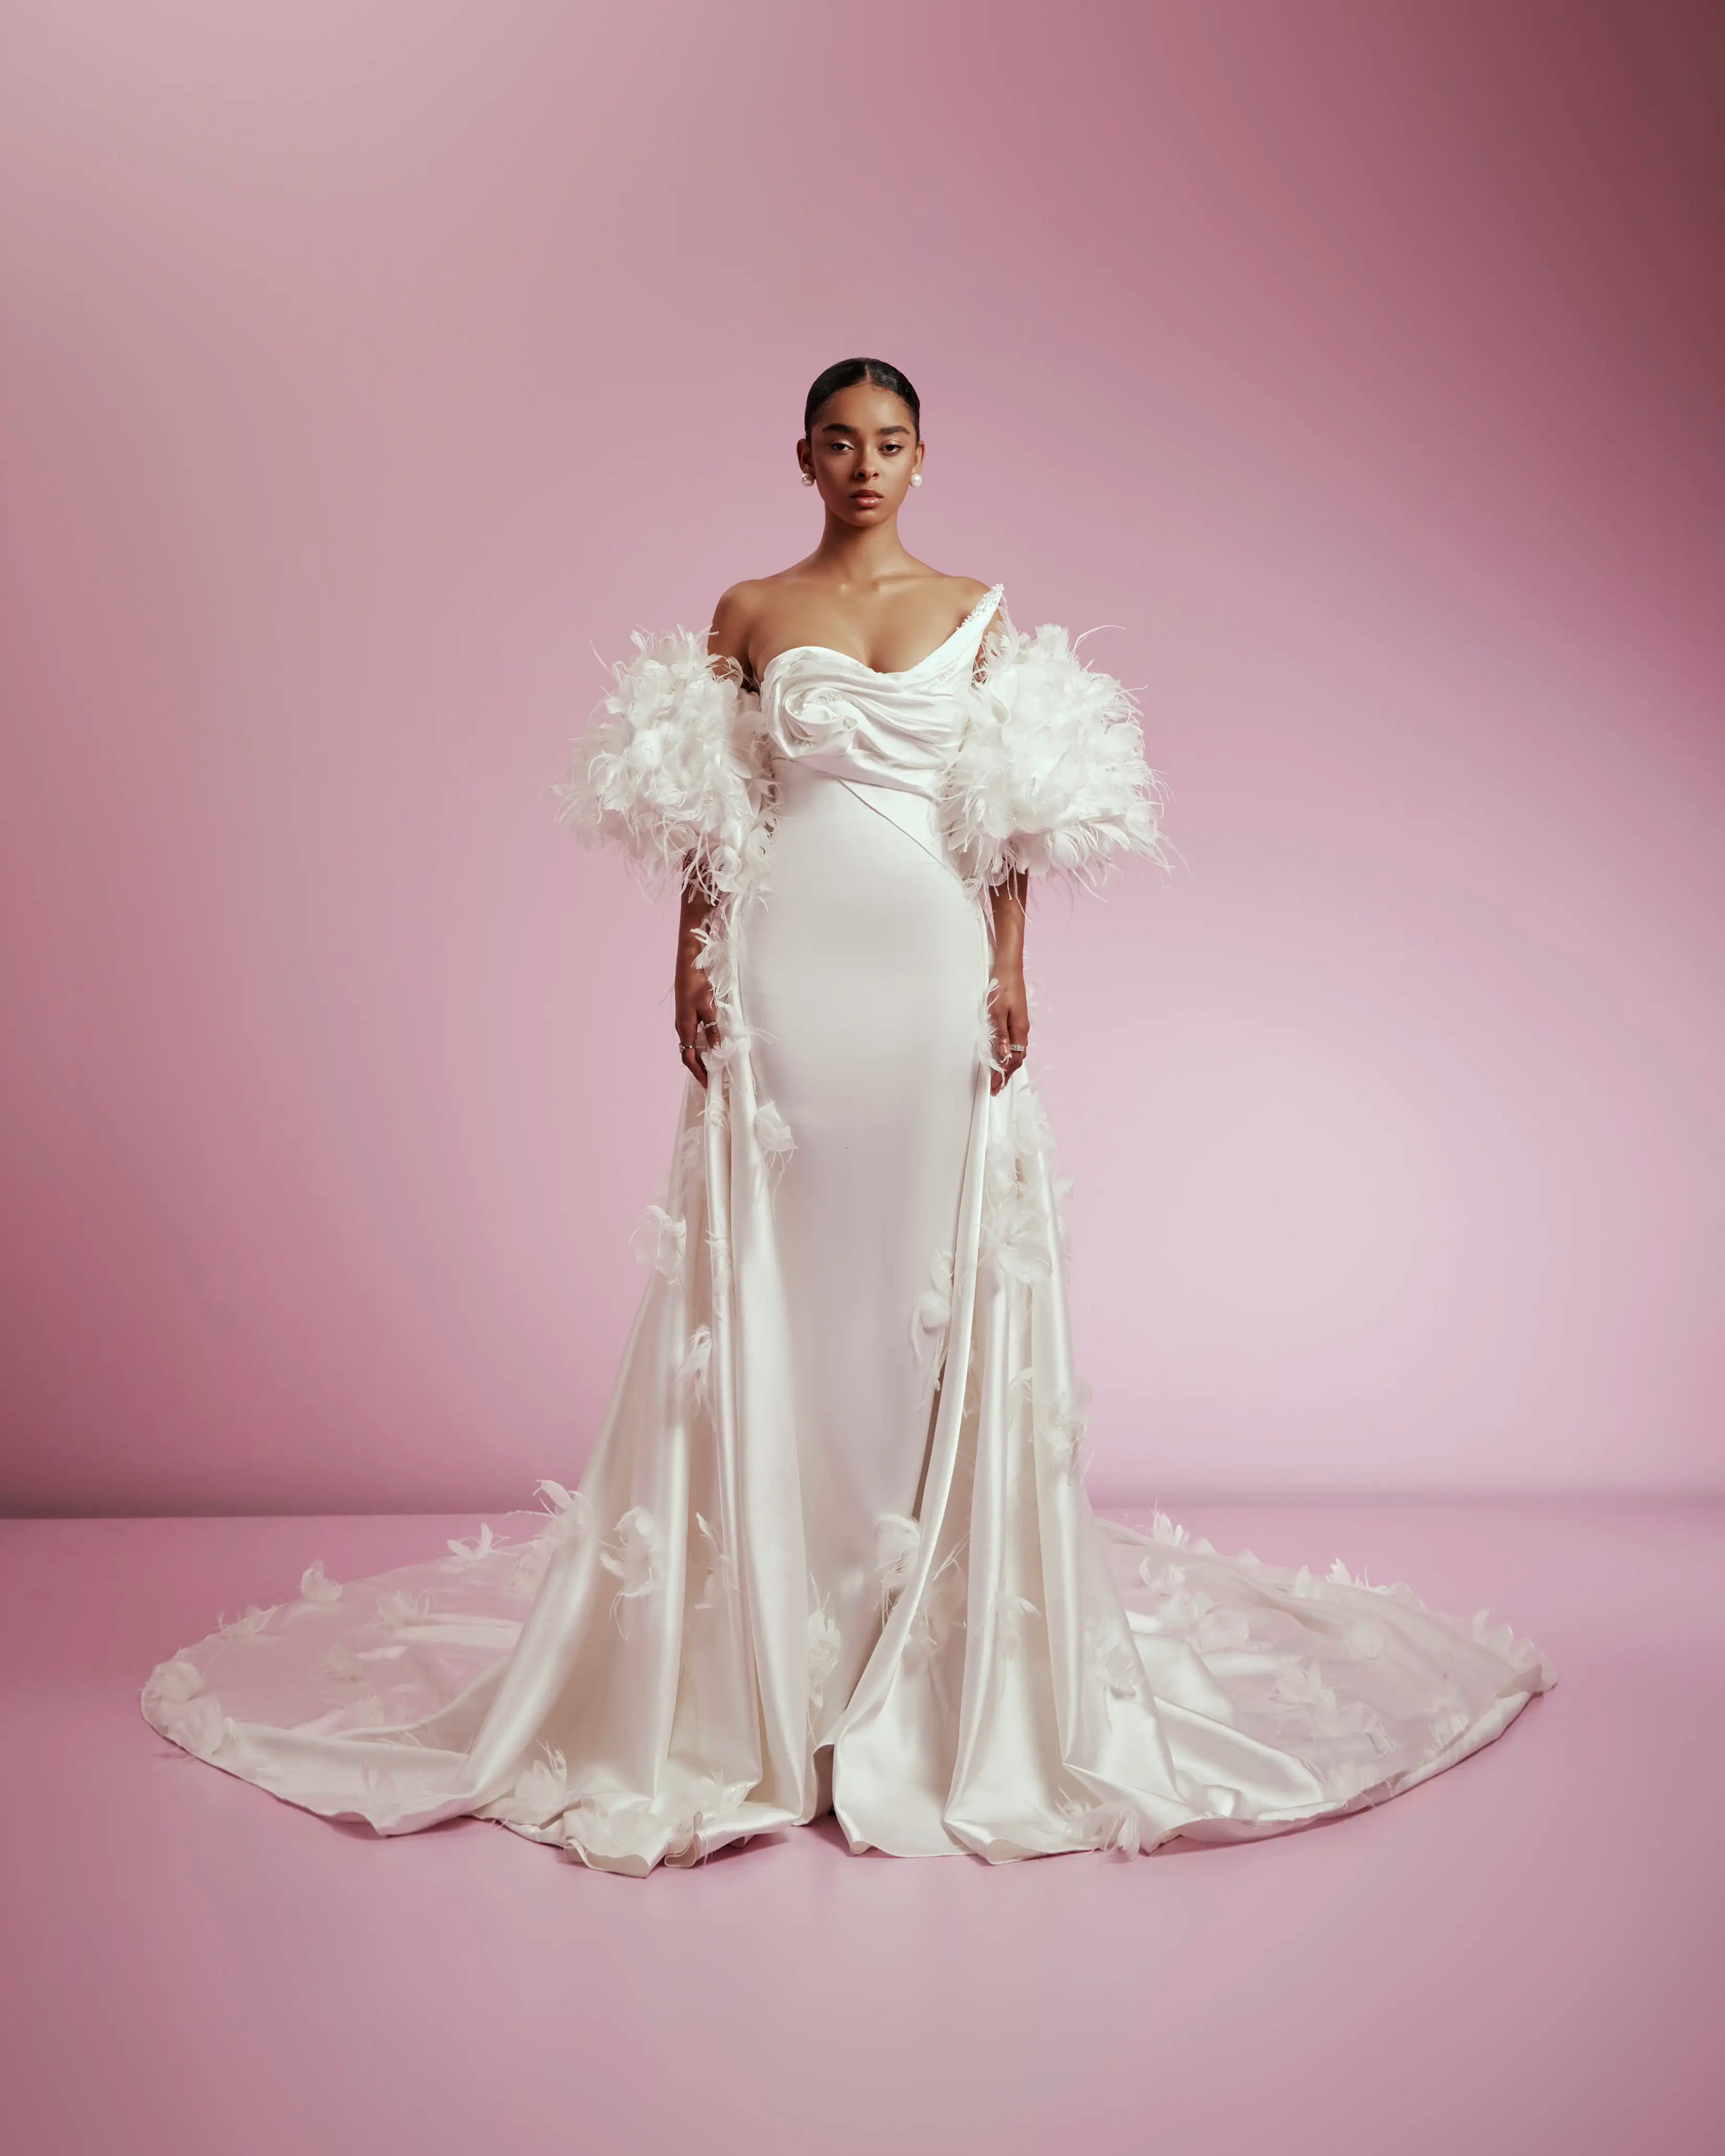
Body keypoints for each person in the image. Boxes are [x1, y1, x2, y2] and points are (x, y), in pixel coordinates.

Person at [140, 358, 1555, 1875]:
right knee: (784, 1280)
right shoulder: (749, 609)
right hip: (791, 968)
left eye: (889, 442)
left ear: (922, 457)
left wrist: (1012, 966)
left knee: (919, 1290)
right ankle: (770, 1656)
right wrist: (691, 961)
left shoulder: (979, 610)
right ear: (803, 457)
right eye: (839, 442)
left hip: (930, 968)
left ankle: (920, 1652)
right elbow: (717, 808)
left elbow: (1004, 821)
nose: (866, 464)